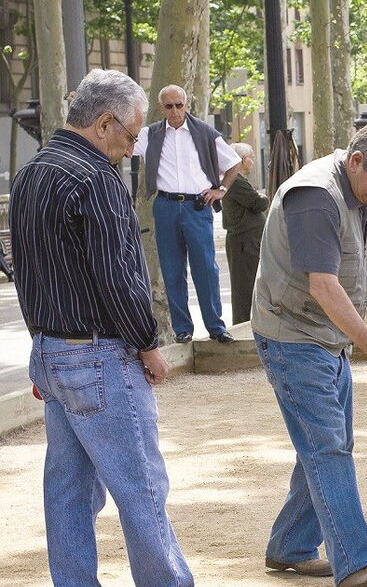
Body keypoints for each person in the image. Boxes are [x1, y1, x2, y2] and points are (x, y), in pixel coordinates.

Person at [9, 69, 193, 586]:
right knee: (141, 485)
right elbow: (119, 278)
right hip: (97, 352)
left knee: (68, 489)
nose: (133, 148)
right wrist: (148, 344)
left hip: (50, 348)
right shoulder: (95, 179)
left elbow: (25, 269)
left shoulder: (32, 173)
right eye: (133, 135)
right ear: (106, 123)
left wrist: (42, 348)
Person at [251, 121, 367, 587]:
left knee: (322, 445)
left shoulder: (357, 188)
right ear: (356, 159)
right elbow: (323, 286)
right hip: (293, 336)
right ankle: (357, 562)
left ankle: (290, 546)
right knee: (327, 447)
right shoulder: (316, 196)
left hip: (325, 337)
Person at [136, 85, 240, 343]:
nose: (174, 111)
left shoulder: (204, 132)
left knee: (206, 268)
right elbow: (123, 143)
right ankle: (183, 329)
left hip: (198, 206)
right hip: (165, 206)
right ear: (161, 108)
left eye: (178, 105)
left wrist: (221, 190)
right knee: (172, 269)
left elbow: (234, 162)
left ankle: (216, 328)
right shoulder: (150, 134)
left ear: (186, 104)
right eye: (169, 106)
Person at [222, 142, 268, 324]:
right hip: (244, 243)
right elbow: (258, 203)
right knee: (245, 287)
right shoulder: (236, 181)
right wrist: (263, 197)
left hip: (249, 241)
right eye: (252, 158)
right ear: (243, 159)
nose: (253, 162)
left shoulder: (237, 181)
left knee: (251, 285)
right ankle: (243, 324)